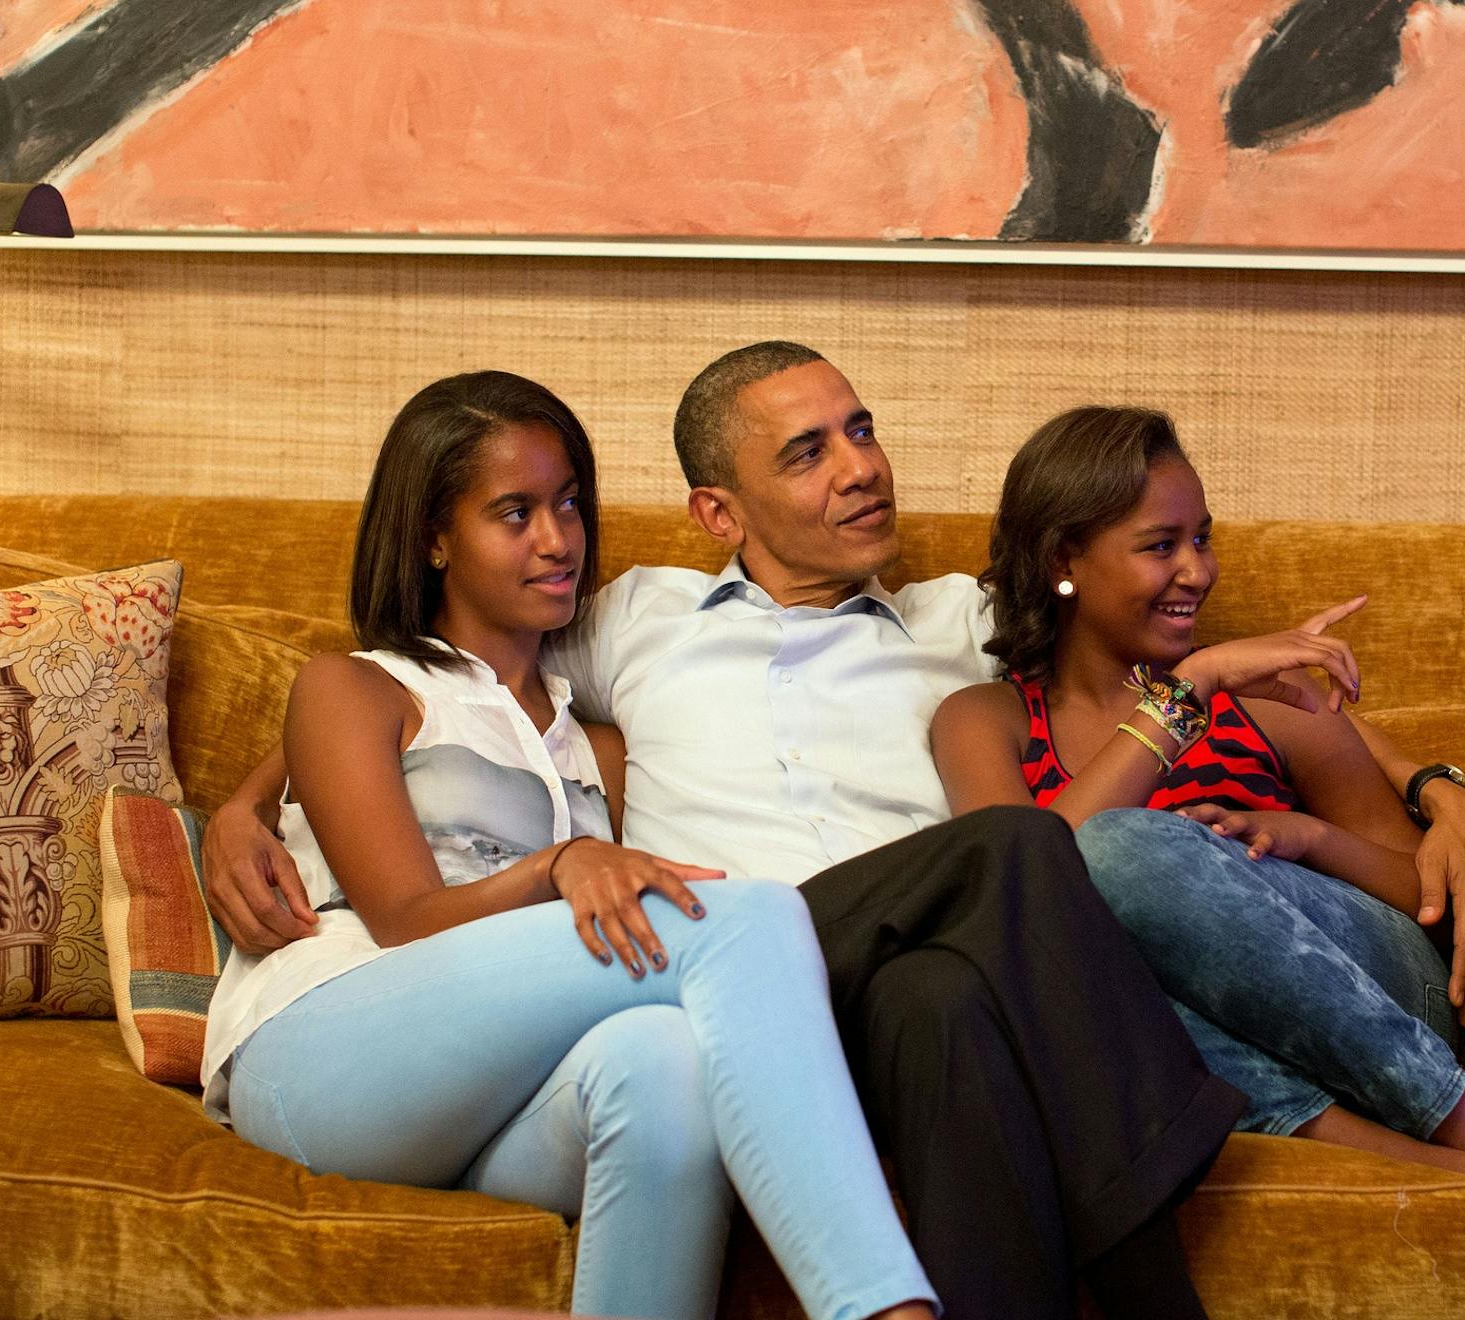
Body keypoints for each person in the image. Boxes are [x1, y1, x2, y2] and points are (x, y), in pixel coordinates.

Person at [202, 345, 1248, 1320]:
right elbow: (387, 692)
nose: (860, 468)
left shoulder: (956, 624)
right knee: (973, 858)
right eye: (808, 451)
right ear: (718, 511)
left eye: (862, 430)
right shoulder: (632, 620)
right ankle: (898, 1296)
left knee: (934, 1002)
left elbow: (1131, 620)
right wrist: (242, 808)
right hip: (713, 961)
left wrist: (1418, 779)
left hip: (857, 995)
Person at [200, 371, 937, 1320]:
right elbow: (407, 922)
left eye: (568, 504)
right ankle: (883, 1309)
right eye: (513, 514)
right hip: (324, 1050)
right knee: (741, 918)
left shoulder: (595, 743)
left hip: (489, 1090)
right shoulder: (359, 687)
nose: (558, 540)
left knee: (665, 1059)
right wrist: (554, 864)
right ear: (434, 537)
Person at [930, 405, 1465, 1280]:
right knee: (1058, 965)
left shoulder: (1271, 699)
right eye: (1159, 544)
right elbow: (1023, 896)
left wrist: (1310, 837)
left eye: (1202, 539)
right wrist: (1186, 692)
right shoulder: (983, 721)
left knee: (1128, 851)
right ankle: (1417, 1164)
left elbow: (1420, 900)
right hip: (1176, 1034)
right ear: (1064, 560)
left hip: (1375, 996)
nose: (1196, 571)